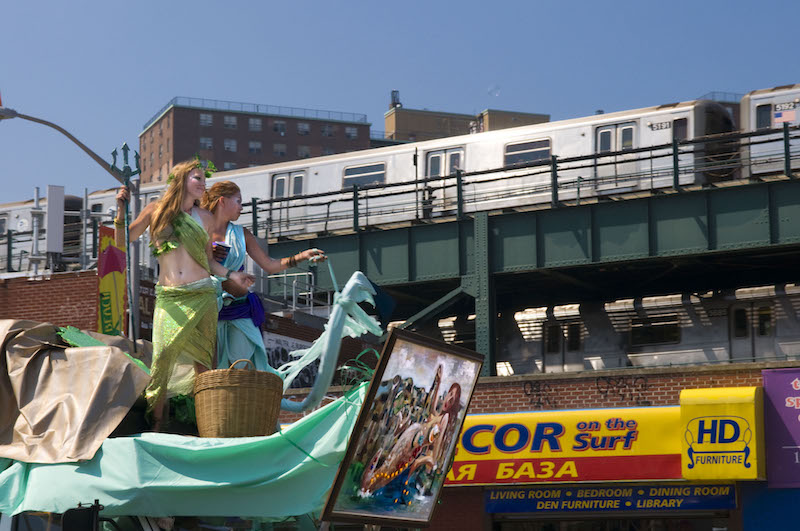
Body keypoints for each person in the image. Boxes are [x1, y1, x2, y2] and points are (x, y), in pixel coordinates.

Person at [114, 160, 254, 430]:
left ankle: (206, 425)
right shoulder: (156, 210)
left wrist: (232, 275)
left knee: (203, 364)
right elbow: (122, 241)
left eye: (204, 179)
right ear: (181, 180)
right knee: (163, 358)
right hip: (170, 297)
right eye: (197, 178)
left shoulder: (206, 217)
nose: (203, 183)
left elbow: (208, 261)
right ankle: (156, 424)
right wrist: (121, 211)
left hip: (202, 295)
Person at [200, 180, 326, 370]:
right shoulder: (200, 233)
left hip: (239, 309)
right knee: (210, 369)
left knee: (240, 365)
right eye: (238, 201)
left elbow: (270, 265)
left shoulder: (242, 234)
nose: (242, 208)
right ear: (222, 201)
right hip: (208, 309)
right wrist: (206, 255)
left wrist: (302, 256)